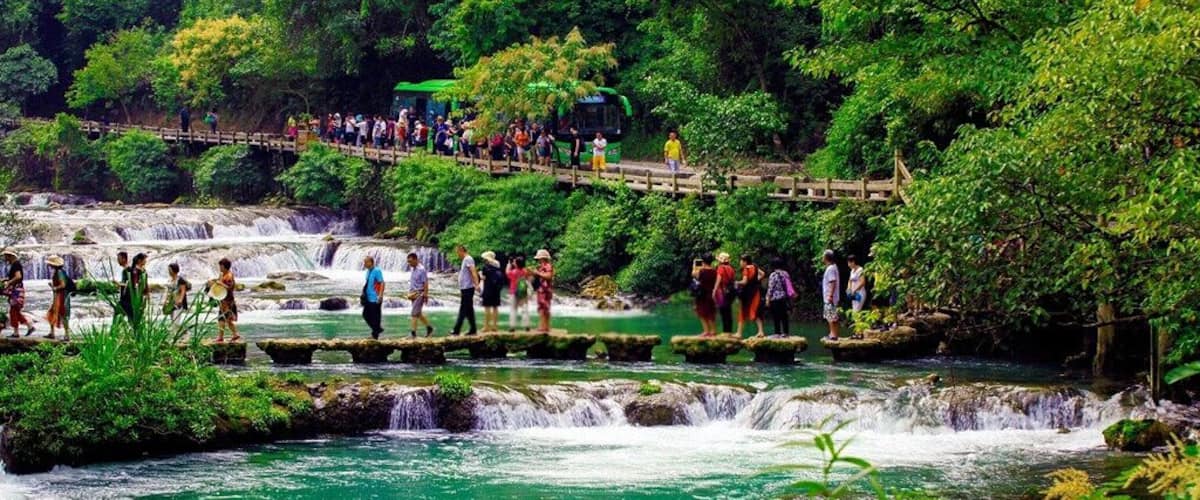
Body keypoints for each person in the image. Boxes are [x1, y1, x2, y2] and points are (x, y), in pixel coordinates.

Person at [2, 249, 34, 337]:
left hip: (16, 291)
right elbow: (16, 276)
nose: (5, 258)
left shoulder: (16, 264)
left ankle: (16, 332)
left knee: (13, 311)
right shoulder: (15, 264)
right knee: (15, 311)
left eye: (6, 256)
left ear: (10, 256)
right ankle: (29, 326)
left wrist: (8, 282)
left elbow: (18, 276)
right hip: (17, 290)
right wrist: (6, 279)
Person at [210, 258, 239, 342]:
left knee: (222, 319)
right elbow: (219, 282)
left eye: (220, 266)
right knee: (226, 319)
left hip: (228, 302)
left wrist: (221, 283)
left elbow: (230, 288)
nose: (219, 268)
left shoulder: (229, 276)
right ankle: (234, 334)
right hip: (223, 301)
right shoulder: (223, 274)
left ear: (224, 266)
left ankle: (222, 336)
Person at [451, 245, 478, 336]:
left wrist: (476, 284)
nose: (457, 254)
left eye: (457, 252)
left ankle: (456, 330)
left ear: (461, 251)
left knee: (463, 309)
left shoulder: (468, 259)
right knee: (469, 310)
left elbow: (473, 271)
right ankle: (473, 329)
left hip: (468, 288)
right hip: (465, 288)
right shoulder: (465, 259)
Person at [736, 255, 765, 337]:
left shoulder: (746, 269)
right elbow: (763, 274)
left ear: (745, 262)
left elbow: (744, 282)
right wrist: (755, 281)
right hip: (755, 292)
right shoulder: (754, 266)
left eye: (741, 261)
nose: (740, 263)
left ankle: (739, 333)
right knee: (755, 311)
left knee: (742, 312)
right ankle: (761, 331)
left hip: (747, 293)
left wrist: (736, 282)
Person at [406, 253, 433, 338]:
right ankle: (429, 328)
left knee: (414, 314)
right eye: (408, 262)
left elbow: (425, 282)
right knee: (418, 313)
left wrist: (425, 294)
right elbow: (413, 281)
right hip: (413, 293)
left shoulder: (421, 269)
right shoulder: (412, 268)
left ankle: (413, 333)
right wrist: (409, 293)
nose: (409, 263)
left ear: (415, 259)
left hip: (419, 293)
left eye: (410, 261)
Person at [766, 258, 794, 338]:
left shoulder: (773, 275)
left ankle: (777, 333)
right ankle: (786, 333)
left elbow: (771, 288)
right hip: (784, 297)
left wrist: (768, 298)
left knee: (776, 316)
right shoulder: (785, 274)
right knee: (784, 315)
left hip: (775, 298)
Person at [45, 255, 71, 341]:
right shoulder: (58, 272)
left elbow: (63, 285)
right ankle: (52, 333)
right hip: (59, 296)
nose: (49, 265)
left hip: (61, 297)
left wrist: (54, 288)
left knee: (63, 314)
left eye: (50, 264)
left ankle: (66, 335)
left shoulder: (59, 272)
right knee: (53, 312)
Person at [360, 256, 385, 339]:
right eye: (364, 262)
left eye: (366, 262)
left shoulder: (377, 271)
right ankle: (377, 329)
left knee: (375, 317)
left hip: (375, 297)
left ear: (371, 262)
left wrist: (380, 295)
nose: (364, 264)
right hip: (368, 297)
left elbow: (382, 283)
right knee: (365, 315)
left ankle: (375, 335)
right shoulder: (368, 271)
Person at [692, 254, 717, 336]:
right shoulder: (714, 271)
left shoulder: (702, 271)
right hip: (711, 294)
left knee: (702, 313)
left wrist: (694, 266)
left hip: (702, 295)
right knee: (711, 313)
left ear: (703, 261)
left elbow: (694, 275)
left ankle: (706, 331)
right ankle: (713, 331)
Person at [479, 251, 504, 333]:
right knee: (495, 308)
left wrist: (480, 275)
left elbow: (483, 278)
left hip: (488, 290)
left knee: (487, 308)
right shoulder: (498, 266)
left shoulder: (486, 267)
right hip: (496, 290)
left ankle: (486, 327)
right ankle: (495, 327)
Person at [506, 256, 531, 332]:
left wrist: (508, 265)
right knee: (525, 308)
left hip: (514, 292)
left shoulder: (513, 272)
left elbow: (507, 272)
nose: (513, 263)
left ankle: (512, 326)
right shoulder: (525, 271)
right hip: (523, 292)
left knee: (513, 309)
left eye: (514, 262)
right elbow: (529, 278)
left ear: (516, 264)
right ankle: (526, 326)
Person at [821, 250, 842, 341]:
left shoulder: (830, 269)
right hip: (832, 296)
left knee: (830, 316)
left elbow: (832, 282)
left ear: (826, 258)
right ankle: (833, 333)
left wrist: (830, 295)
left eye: (823, 256)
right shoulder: (834, 267)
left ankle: (833, 334)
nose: (822, 258)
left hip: (830, 297)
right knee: (833, 315)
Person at [532, 249, 554, 333]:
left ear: (542, 258)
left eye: (539, 258)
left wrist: (537, 273)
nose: (538, 260)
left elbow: (549, 276)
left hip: (545, 290)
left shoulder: (548, 266)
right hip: (541, 289)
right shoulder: (540, 267)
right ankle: (545, 326)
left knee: (544, 308)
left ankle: (544, 327)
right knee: (543, 308)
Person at [713, 252, 736, 334]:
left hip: (722, 291)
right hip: (730, 292)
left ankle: (725, 331)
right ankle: (729, 331)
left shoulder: (720, 268)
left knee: (723, 312)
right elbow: (733, 280)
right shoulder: (731, 268)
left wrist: (714, 290)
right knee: (728, 312)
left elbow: (718, 280)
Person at [127, 253, 150, 326]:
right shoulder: (135, 270)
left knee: (141, 311)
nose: (146, 261)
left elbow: (146, 283)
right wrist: (137, 288)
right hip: (136, 296)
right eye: (144, 259)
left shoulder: (143, 270)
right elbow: (135, 283)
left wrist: (147, 293)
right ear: (140, 260)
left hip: (142, 295)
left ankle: (139, 325)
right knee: (135, 312)